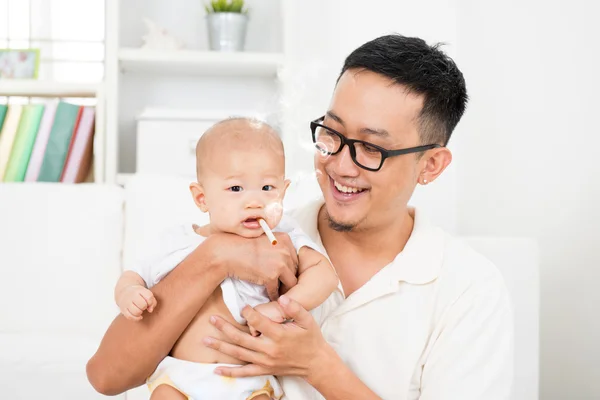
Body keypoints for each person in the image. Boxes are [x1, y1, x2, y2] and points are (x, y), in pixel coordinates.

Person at [87, 34, 513, 400]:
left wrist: (317, 366)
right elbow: (107, 376)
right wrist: (216, 255)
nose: (341, 166)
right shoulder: (258, 233)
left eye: (371, 148)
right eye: (331, 133)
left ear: (431, 165)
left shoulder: (468, 290)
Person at [111, 118, 337, 399]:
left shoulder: (282, 235)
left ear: (284, 191)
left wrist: (281, 309)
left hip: (249, 382)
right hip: (181, 378)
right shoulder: (178, 241)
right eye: (235, 189)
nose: (255, 201)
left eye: (267, 188)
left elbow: (324, 274)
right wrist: (129, 293)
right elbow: (134, 274)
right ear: (202, 198)